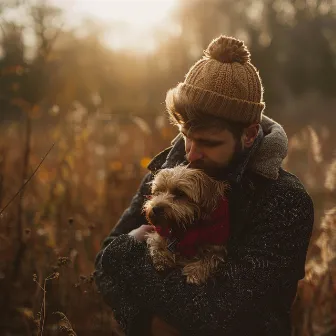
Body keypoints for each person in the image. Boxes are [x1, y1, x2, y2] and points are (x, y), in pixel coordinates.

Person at [94, 35, 314, 336]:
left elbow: (223, 314)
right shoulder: (169, 170)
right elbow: (104, 265)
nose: (191, 154)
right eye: (187, 136)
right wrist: (146, 324)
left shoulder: (283, 200)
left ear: (249, 135)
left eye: (209, 143)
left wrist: (128, 257)